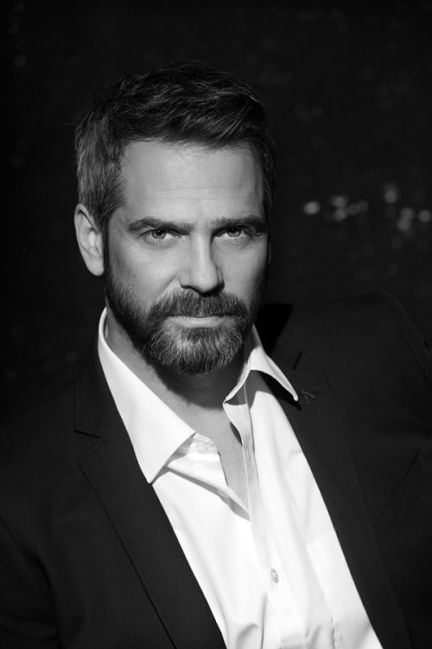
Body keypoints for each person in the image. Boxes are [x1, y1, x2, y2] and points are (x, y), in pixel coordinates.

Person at [0, 61, 431, 649]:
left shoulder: (380, 349)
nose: (204, 277)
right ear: (92, 239)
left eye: (234, 232)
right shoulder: (19, 497)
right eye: (161, 234)